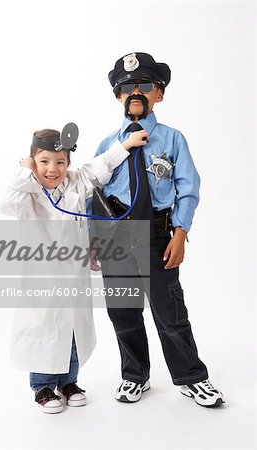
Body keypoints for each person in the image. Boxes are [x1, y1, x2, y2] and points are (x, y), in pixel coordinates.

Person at [90, 52, 225, 407]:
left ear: (159, 94)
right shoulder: (108, 144)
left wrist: (180, 233)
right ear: (118, 96)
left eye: (145, 86)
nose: (136, 92)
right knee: (123, 309)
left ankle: (191, 377)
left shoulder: (172, 139)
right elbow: (94, 192)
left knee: (169, 309)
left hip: (156, 232)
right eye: (127, 87)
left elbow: (189, 188)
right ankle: (135, 376)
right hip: (114, 235)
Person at [0, 126, 148, 413]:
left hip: (74, 276)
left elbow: (102, 164)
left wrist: (127, 144)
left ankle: (69, 382)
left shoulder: (76, 183)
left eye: (60, 162)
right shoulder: (27, 193)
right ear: (32, 162)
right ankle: (42, 386)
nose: (52, 169)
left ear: (68, 163)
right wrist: (23, 172)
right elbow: (4, 202)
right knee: (45, 330)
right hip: (42, 279)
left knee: (74, 333)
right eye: (43, 162)